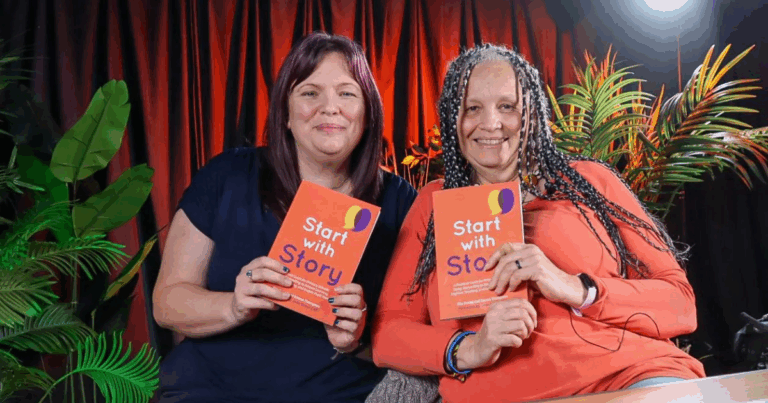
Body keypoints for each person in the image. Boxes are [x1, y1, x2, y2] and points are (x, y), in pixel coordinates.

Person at [371, 43, 706, 403]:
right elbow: (388, 333)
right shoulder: (432, 205)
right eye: (472, 108)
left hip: (631, 378)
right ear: (454, 120)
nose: (490, 124)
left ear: (531, 113)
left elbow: (680, 304)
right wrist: (469, 348)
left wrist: (575, 287)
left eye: (507, 106)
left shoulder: (589, 181)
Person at [153, 32, 417, 403]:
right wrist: (233, 306)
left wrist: (357, 341)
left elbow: (415, 336)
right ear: (286, 114)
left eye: (347, 93)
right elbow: (167, 303)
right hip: (210, 391)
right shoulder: (227, 176)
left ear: (368, 113)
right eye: (310, 93)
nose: (330, 107)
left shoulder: (401, 201)